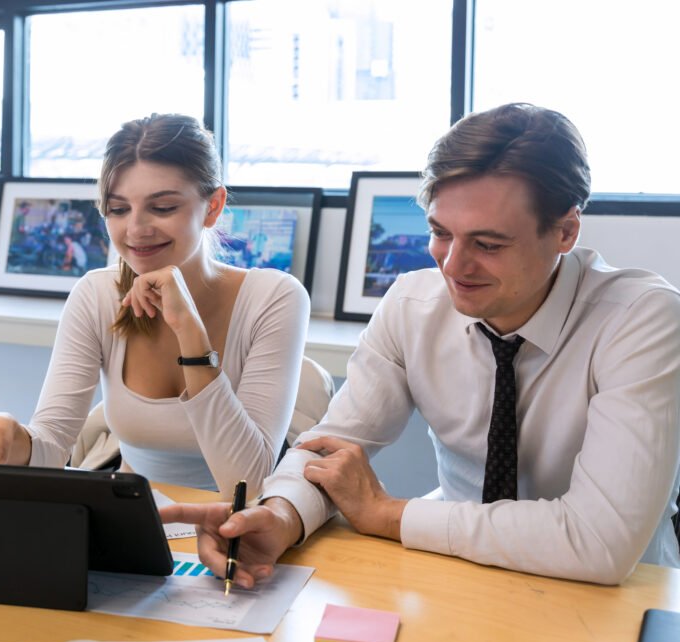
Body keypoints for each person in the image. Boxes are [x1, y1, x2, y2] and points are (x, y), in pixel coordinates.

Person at [162, 102, 680, 586]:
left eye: (488, 244)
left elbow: (599, 542)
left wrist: (390, 514)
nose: (452, 266)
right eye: (440, 233)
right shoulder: (413, 303)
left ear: (566, 232)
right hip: (453, 573)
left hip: (615, 599)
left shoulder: (642, 320)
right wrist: (279, 516)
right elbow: (332, 445)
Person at [0, 113, 310, 495]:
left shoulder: (275, 297)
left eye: (163, 207)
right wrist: (5, 432)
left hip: (238, 534)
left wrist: (190, 332)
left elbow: (245, 485)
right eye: (118, 210)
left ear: (213, 206)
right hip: (137, 522)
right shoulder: (97, 296)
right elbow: (52, 446)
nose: (135, 229)